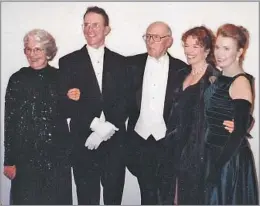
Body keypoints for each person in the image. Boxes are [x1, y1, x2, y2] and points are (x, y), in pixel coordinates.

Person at [58, 6, 128, 205]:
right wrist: (95, 126)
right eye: (86, 25)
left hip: (115, 141)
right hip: (83, 142)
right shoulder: (67, 62)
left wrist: (106, 129)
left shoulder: (122, 62)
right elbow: (64, 105)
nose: (90, 29)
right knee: (87, 199)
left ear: (107, 29)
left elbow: (125, 101)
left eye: (95, 25)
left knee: (113, 199)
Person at [3, 29, 72, 205]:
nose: (32, 55)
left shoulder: (61, 76)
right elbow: (10, 122)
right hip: (25, 157)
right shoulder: (17, 79)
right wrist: (8, 161)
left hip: (56, 156)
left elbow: (68, 113)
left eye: (37, 49)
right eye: (28, 49)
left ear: (48, 51)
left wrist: (73, 99)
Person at [125, 21, 189, 205]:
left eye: (157, 37)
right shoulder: (130, 64)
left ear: (169, 41)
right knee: (147, 195)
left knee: (167, 195)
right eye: (148, 36)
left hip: (167, 142)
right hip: (140, 141)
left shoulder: (182, 69)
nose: (150, 41)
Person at [157, 26, 222, 205]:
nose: (189, 51)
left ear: (207, 50)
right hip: (174, 145)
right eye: (186, 45)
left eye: (195, 46)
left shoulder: (214, 78)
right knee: (172, 196)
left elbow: (228, 111)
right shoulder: (181, 73)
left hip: (198, 149)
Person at [204, 23, 259, 205]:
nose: (219, 53)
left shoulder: (240, 82)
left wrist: (216, 170)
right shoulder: (220, 77)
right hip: (214, 156)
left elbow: (237, 134)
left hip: (227, 162)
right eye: (218, 47)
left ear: (240, 52)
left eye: (226, 48)